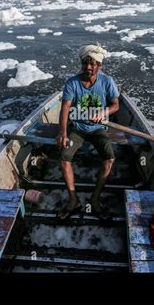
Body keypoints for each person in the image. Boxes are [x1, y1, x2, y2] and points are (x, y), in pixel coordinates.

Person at [56, 43, 120, 220]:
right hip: (78, 129)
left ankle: (94, 199)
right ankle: (73, 199)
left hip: (98, 129)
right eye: (85, 63)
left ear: (100, 66)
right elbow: (65, 109)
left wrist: (104, 112)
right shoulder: (72, 83)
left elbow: (116, 105)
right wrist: (62, 133)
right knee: (64, 158)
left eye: (93, 64)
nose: (89, 67)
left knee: (109, 159)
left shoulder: (107, 82)